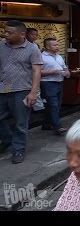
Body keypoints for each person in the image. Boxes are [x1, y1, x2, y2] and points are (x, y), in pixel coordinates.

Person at [0, 20, 43, 164]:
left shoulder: (32, 49)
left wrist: (33, 92)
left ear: (22, 34)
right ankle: (7, 139)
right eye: (5, 31)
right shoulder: (1, 45)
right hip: (2, 89)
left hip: (21, 90)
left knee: (20, 123)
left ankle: (18, 149)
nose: (6, 35)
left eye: (9, 33)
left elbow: (37, 71)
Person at [40, 38, 70, 136]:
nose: (58, 46)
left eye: (57, 44)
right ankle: (58, 127)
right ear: (48, 47)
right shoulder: (41, 57)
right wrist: (53, 72)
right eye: (55, 45)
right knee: (53, 105)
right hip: (48, 83)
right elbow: (38, 72)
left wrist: (67, 71)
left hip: (59, 82)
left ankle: (46, 124)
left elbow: (64, 67)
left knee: (56, 105)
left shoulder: (59, 56)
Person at [26, 27, 44, 111]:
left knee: (36, 89)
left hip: (34, 71)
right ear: (26, 34)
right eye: (32, 34)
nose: (35, 36)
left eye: (36, 35)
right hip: (26, 72)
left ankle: (38, 109)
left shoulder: (36, 45)